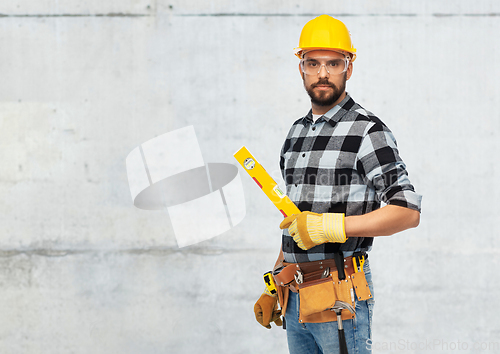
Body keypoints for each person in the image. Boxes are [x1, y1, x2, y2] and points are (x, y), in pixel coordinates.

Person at [253, 14, 422, 354]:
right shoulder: (296, 134)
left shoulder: (368, 132)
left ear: (349, 67)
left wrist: (332, 226)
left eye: (334, 63)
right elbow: (297, 222)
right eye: (312, 63)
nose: (323, 73)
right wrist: (275, 282)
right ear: (300, 67)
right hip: (295, 296)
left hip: (340, 295)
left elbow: (407, 211)